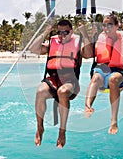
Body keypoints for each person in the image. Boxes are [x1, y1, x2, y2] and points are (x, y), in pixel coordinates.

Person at [29, 19, 92, 148]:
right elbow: (33, 48)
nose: (62, 35)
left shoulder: (78, 43)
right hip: (53, 79)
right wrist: (46, 31)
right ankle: (40, 128)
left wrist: (85, 34)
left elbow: (89, 54)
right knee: (40, 91)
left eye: (66, 32)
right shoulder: (52, 43)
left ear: (72, 32)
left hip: (70, 81)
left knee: (62, 92)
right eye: (60, 32)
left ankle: (62, 131)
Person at [84, 14, 123, 134]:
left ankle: (113, 120)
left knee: (113, 79)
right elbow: (88, 54)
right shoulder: (100, 37)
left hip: (118, 71)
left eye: (109, 25)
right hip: (102, 69)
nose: (106, 28)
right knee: (96, 77)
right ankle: (87, 106)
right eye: (104, 25)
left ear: (116, 26)